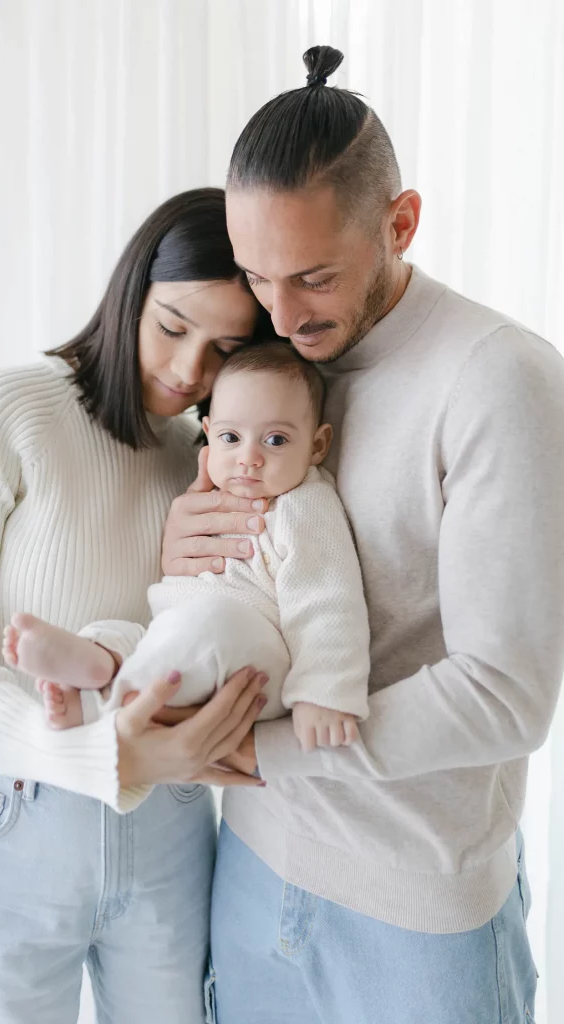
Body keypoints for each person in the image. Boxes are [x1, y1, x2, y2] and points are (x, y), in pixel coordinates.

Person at [160, 46, 564, 1023]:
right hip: (250, 872)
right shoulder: (262, 359)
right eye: (257, 276)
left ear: (400, 222)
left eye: (311, 277)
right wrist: (182, 545)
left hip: (415, 916)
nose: (281, 316)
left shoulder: (493, 378)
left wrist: (257, 753)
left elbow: (505, 695)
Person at [0, 188, 270, 1024]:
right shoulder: (9, 409)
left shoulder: (211, 459)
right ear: (131, 288)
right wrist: (83, 753)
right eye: (173, 327)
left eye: (224, 350)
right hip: (10, 807)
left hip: (170, 826)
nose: (186, 372)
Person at [2, 342, 370, 768]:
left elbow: (327, 598)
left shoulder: (305, 504)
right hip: (178, 633)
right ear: (210, 436)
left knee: (210, 625)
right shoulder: (203, 497)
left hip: (256, 655)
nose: (248, 458)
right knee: (127, 631)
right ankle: (97, 661)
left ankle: (101, 698)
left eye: (275, 440)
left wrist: (323, 690)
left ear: (317, 445)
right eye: (231, 438)